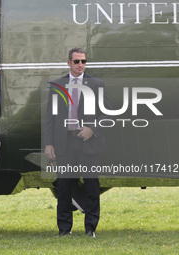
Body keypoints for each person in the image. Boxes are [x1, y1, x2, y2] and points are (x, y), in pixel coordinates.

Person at [44, 47, 112, 238]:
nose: (80, 65)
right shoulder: (57, 85)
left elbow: (108, 113)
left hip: (88, 145)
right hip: (64, 144)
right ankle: (64, 229)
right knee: (64, 188)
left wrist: (92, 129)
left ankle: (91, 228)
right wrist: (48, 143)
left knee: (91, 187)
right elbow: (50, 117)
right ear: (69, 63)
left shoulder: (97, 84)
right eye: (77, 61)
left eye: (83, 61)